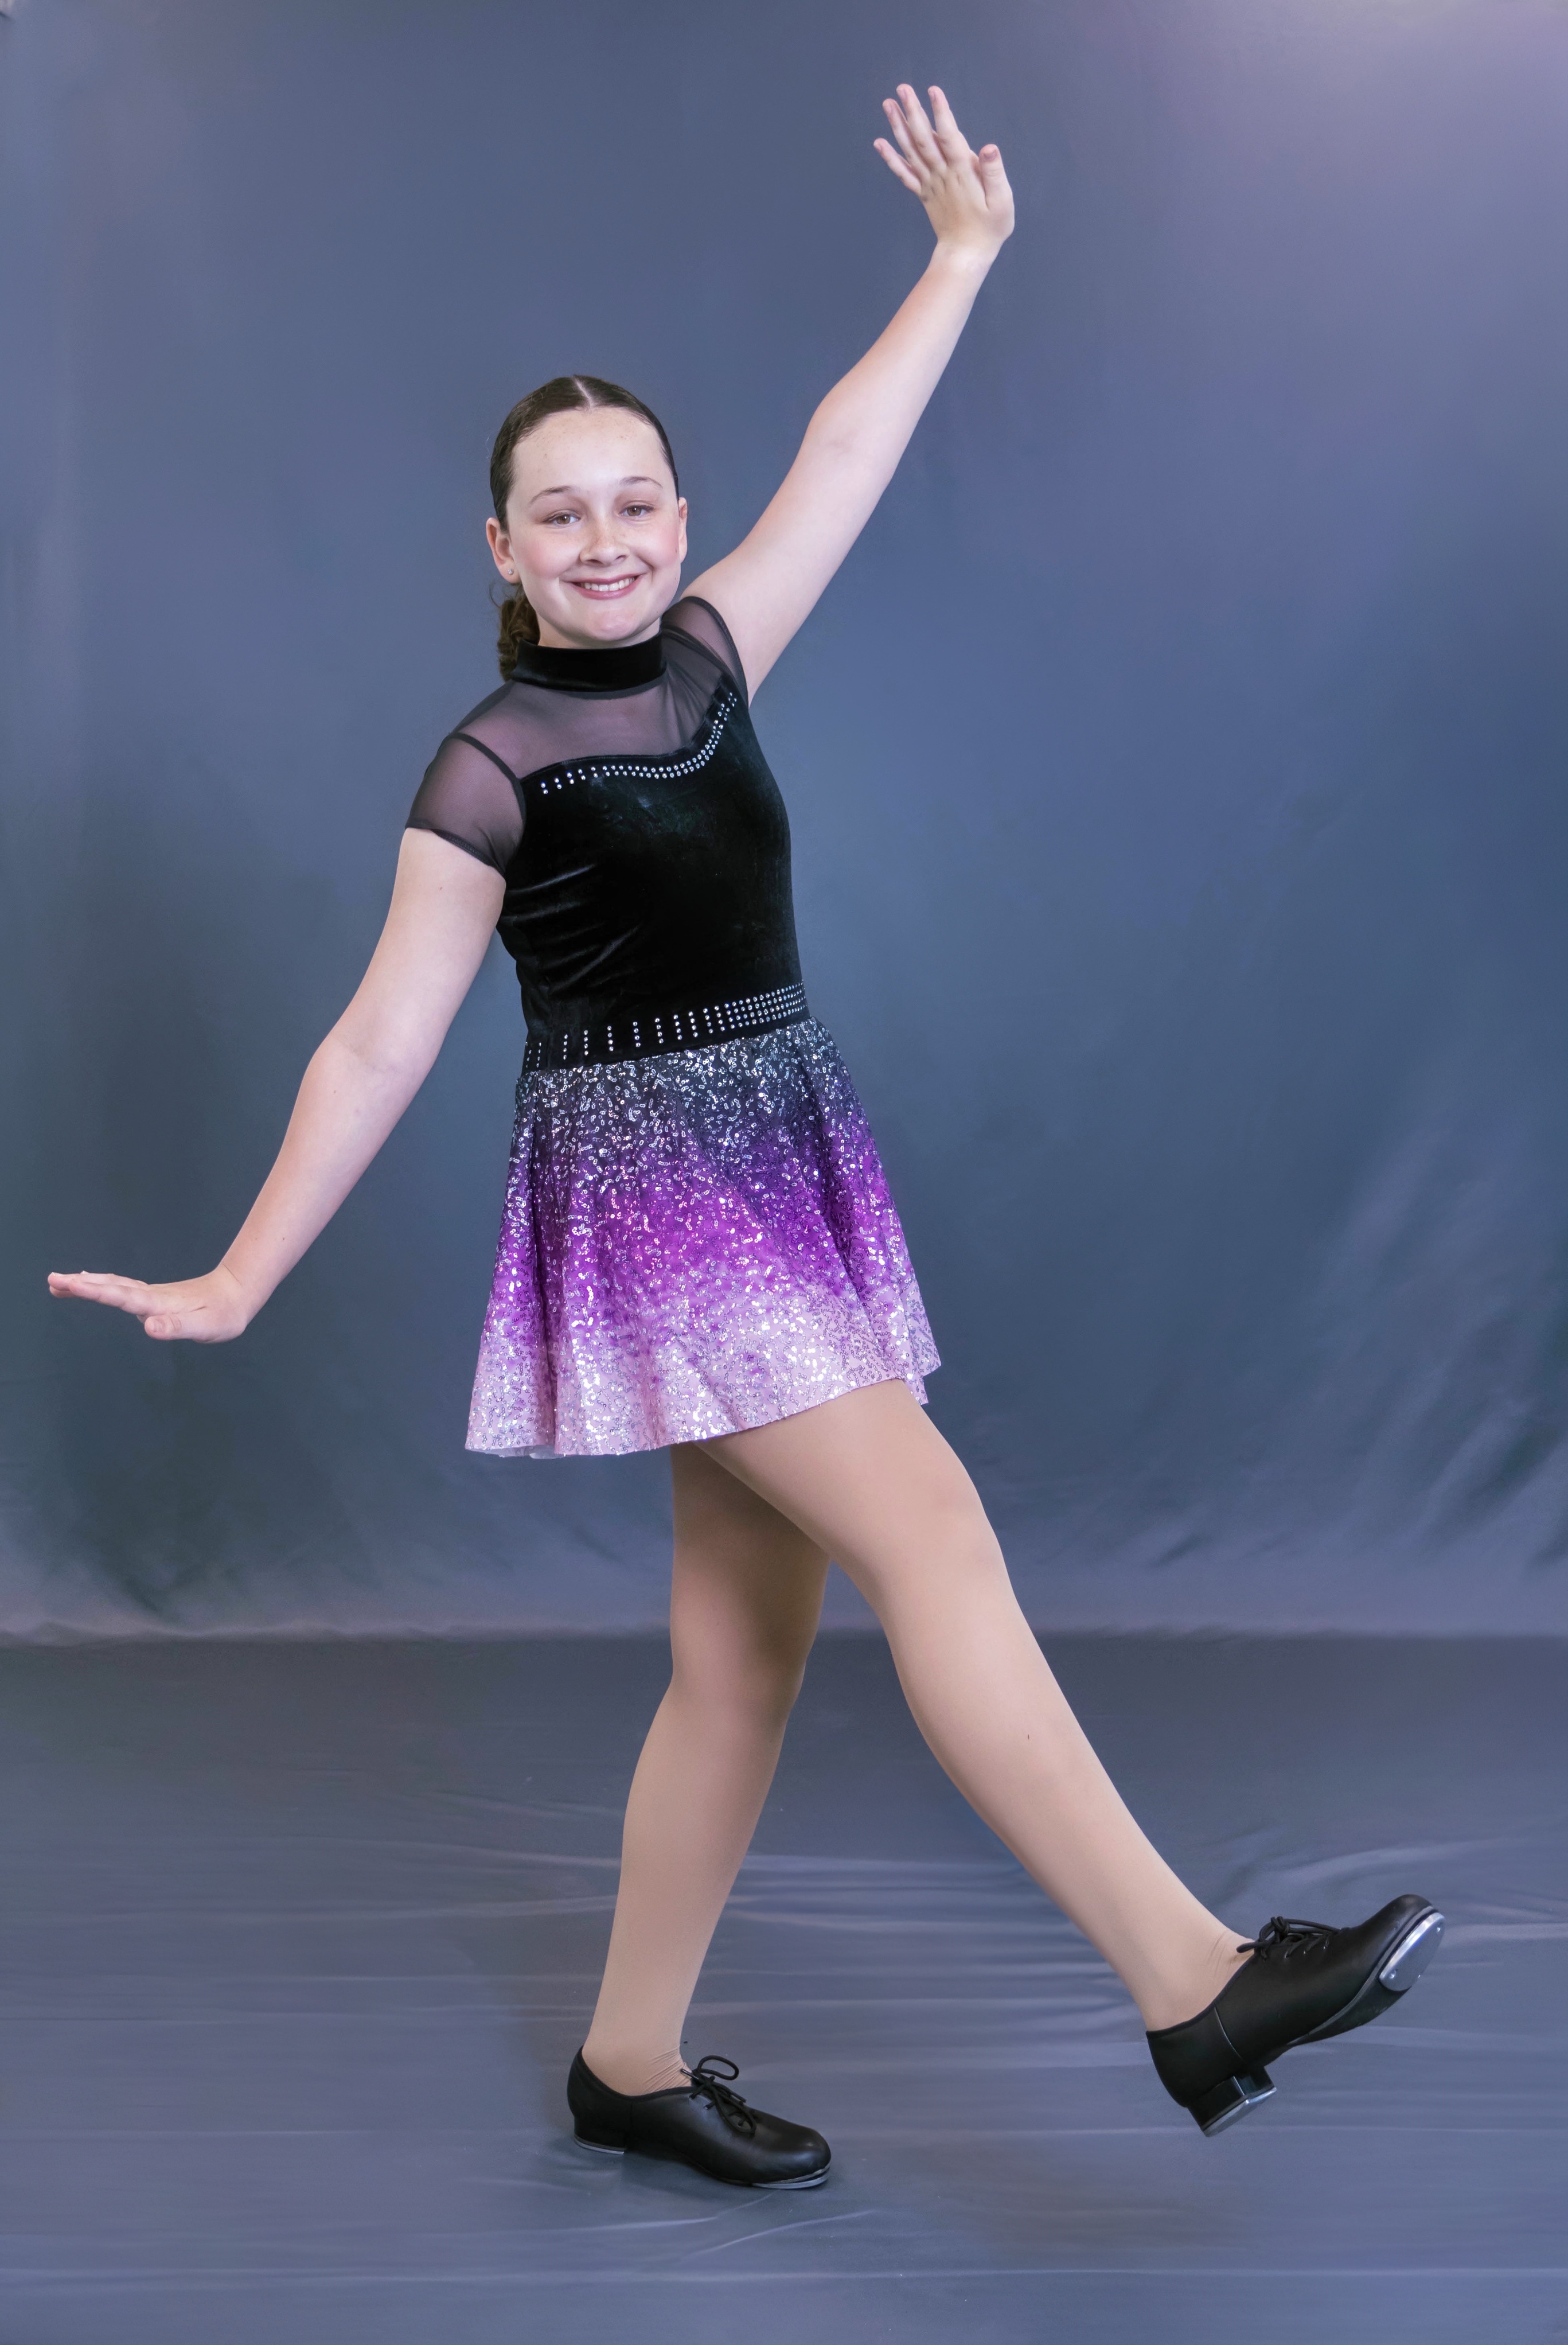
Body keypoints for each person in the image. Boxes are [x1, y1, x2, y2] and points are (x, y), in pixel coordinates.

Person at [50, 83, 1443, 2188]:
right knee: (937, 1535)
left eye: (638, 502)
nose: (608, 539)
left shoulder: (711, 659)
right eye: (561, 513)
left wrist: (959, 263)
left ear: (673, 519)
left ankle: (624, 2062)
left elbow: (849, 453)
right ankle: (1191, 1978)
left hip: (781, 1140)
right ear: (496, 547)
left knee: (741, 1656)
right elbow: (377, 1039)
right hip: (655, 1200)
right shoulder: (490, 766)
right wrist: (241, 1271)